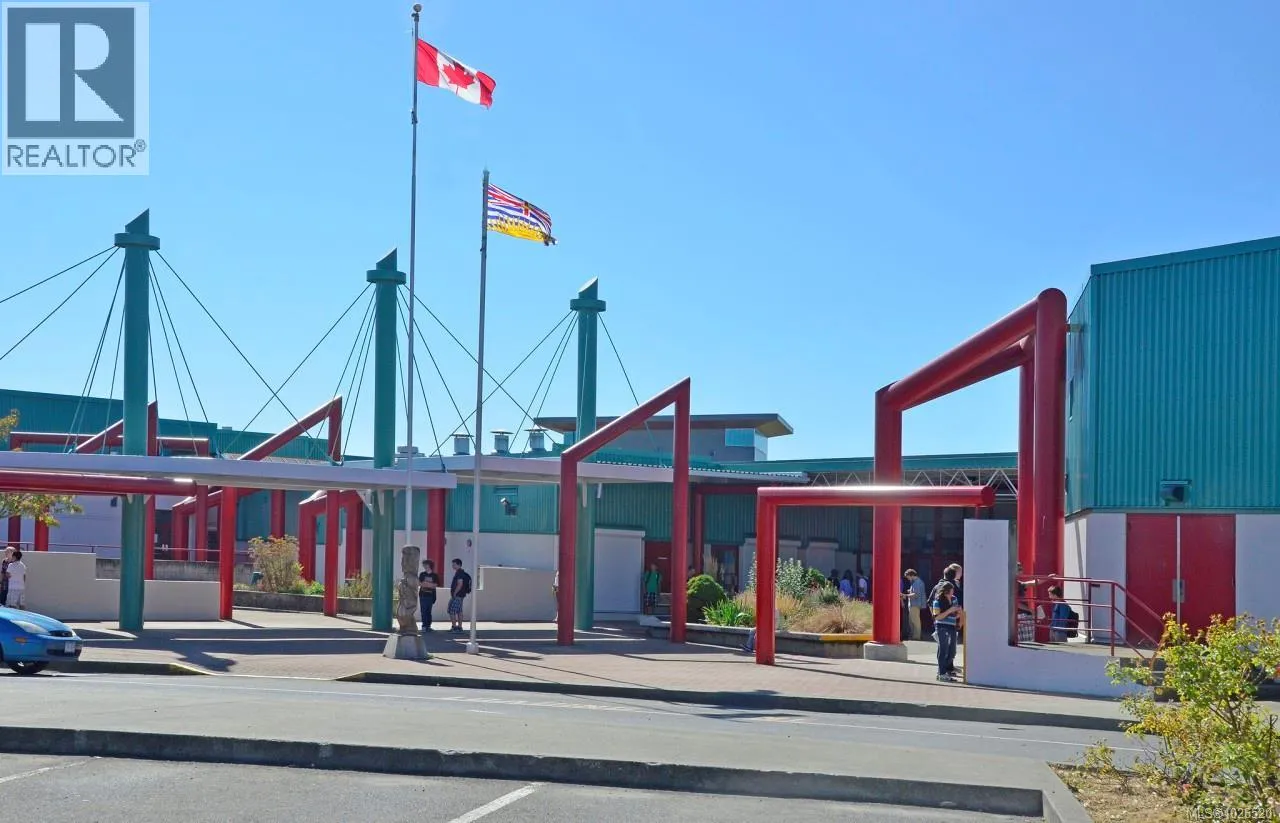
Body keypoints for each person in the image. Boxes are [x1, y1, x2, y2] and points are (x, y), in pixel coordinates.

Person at [931, 581, 962, 682]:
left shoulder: (954, 599)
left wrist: (958, 613)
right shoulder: (937, 601)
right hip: (941, 627)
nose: (953, 592)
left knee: (952, 651)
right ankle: (942, 673)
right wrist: (950, 610)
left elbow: (956, 614)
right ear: (946, 591)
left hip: (952, 626)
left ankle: (946, 670)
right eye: (951, 590)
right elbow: (937, 617)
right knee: (943, 649)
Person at [900, 569, 926, 641]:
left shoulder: (917, 583)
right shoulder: (917, 582)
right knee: (912, 620)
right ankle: (914, 635)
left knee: (915, 621)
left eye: (908, 577)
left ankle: (916, 636)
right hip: (914, 604)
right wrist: (910, 591)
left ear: (911, 575)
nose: (907, 578)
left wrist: (905, 595)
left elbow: (916, 594)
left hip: (915, 604)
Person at [448, 558, 471, 633]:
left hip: (457, 595)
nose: (453, 566)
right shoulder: (460, 573)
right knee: (459, 611)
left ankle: (455, 627)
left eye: (454, 564)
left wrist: (454, 594)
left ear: (459, 565)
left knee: (452, 611)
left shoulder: (460, 573)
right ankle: (459, 627)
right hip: (461, 595)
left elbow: (460, 584)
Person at [418, 559, 440, 633]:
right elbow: (420, 583)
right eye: (423, 564)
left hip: (431, 596)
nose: (424, 566)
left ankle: (428, 626)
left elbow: (435, 585)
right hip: (422, 595)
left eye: (425, 564)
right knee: (423, 611)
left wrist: (426, 584)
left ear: (429, 565)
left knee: (428, 611)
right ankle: (424, 626)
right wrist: (429, 584)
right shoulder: (422, 574)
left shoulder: (435, 575)